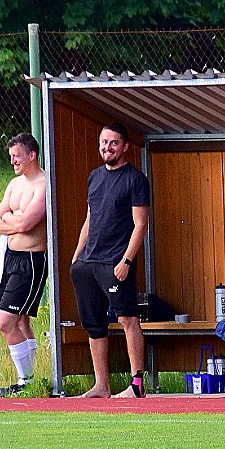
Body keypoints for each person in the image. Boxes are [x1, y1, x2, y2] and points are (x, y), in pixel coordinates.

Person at [70, 122, 150, 398]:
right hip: (88, 264)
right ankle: (101, 385)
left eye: (113, 142)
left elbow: (140, 225)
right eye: (104, 142)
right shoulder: (94, 177)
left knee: (128, 318)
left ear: (125, 146)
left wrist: (126, 261)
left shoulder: (135, 179)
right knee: (93, 324)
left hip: (116, 264)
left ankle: (136, 384)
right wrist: (77, 257)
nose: (107, 147)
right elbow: (90, 219)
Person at [0, 133, 48, 397]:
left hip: (31, 261)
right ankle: (30, 382)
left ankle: (25, 380)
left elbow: (27, 225)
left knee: (5, 322)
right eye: (11, 155)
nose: (12, 160)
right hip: (9, 257)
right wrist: (15, 219)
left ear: (31, 155)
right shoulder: (14, 185)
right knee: (21, 320)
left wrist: (13, 220)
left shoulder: (43, 184)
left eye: (17, 155)